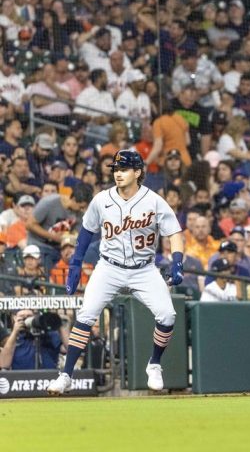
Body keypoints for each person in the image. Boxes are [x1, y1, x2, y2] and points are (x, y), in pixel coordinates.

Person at [47, 150, 185, 395]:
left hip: (144, 269)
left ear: (138, 172)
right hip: (109, 267)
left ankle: (154, 364)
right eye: (116, 169)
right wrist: (76, 263)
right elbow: (87, 232)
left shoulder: (154, 201)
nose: (118, 174)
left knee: (167, 315)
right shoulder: (102, 199)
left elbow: (174, 232)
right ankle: (66, 375)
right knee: (86, 314)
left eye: (124, 169)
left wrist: (177, 262)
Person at [0, 309, 69, 370]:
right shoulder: (14, 339)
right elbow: (4, 364)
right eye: (22, 317)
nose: (26, 319)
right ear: (14, 318)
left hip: (49, 379)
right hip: (21, 381)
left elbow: (69, 350)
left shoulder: (49, 334)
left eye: (29, 316)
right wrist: (15, 333)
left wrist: (61, 327)